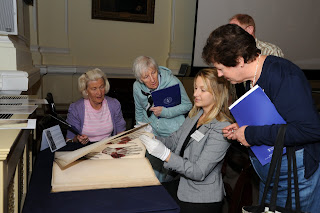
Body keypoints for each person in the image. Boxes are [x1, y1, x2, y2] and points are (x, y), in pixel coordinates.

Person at [202, 24, 320, 213]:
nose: (219, 75)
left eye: (221, 68)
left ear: (239, 60)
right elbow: (276, 118)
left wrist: (251, 133)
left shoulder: (283, 75)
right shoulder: (250, 77)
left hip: (293, 178)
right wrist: (242, 128)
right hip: (273, 171)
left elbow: (309, 129)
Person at [139, 68, 234, 213]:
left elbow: (199, 172)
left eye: (202, 90)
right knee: (146, 198)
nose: (195, 94)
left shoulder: (222, 126)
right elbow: (174, 140)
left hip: (202, 198)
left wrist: (165, 155)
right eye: (196, 88)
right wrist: (152, 137)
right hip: (181, 183)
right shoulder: (196, 115)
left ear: (217, 93)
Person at [132, 55, 192, 182]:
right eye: (146, 77)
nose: (152, 79)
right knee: (150, 172)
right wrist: (140, 131)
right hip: (152, 132)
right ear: (140, 79)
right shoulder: (137, 87)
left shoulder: (173, 82)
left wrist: (165, 112)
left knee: (169, 175)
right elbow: (139, 110)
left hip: (173, 134)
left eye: (153, 72)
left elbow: (188, 105)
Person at [66, 68, 126, 144]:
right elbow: (69, 140)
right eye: (94, 89)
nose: (99, 93)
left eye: (101, 87)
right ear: (86, 91)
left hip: (108, 148)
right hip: (85, 150)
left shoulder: (114, 104)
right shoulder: (76, 108)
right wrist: (77, 139)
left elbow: (121, 133)